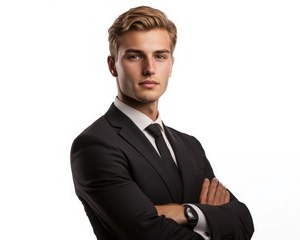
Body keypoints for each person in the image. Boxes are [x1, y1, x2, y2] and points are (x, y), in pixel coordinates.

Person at [70, 5, 254, 240]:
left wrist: (186, 212)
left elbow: (243, 222)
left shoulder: (190, 146)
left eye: (160, 56)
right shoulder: (95, 145)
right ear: (112, 65)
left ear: (171, 64)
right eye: (135, 56)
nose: (149, 69)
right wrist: (210, 218)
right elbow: (147, 234)